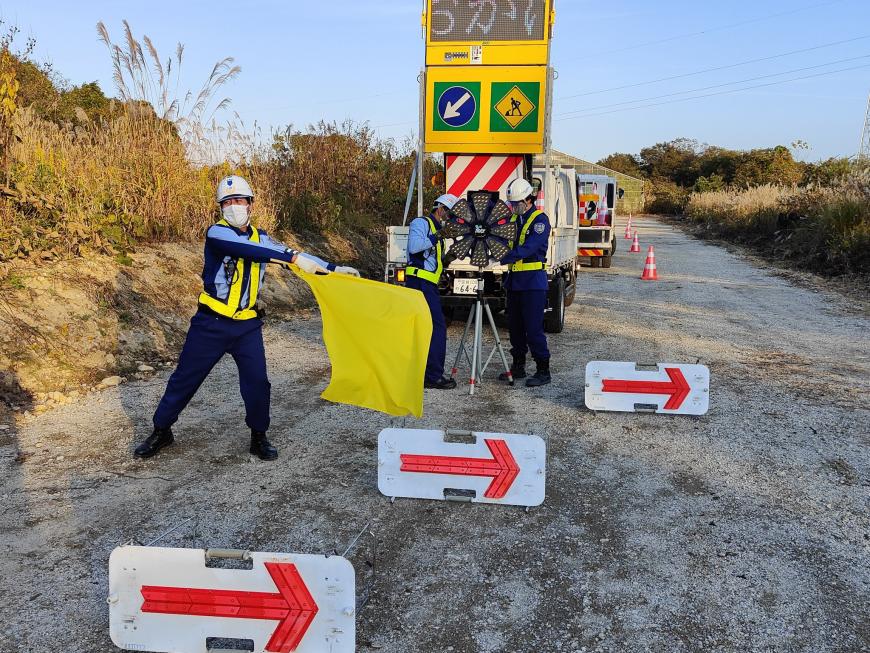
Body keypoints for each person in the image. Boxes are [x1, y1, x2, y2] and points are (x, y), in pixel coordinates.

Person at [134, 175, 360, 461]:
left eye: (239, 200)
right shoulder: (217, 233)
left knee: (257, 383)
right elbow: (254, 251)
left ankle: (259, 435)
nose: (233, 206)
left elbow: (284, 253)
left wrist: (332, 268)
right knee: (185, 379)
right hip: (211, 323)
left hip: (247, 326)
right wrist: (290, 257)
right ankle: (161, 430)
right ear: (220, 207)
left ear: (250, 204)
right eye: (227, 202)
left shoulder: (262, 237)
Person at [498, 178, 552, 387]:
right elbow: (502, 239)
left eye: (517, 203)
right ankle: (518, 366)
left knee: (533, 328)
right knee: (515, 328)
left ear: (529, 199)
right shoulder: (514, 219)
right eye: (512, 204)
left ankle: (543, 370)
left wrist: (503, 257)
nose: (514, 207)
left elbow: (528, 248)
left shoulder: (540, 221)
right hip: (514, 282)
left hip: (533, 284)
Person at [405, 194, 458, 390]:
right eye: (449, 214)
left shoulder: (437, 232)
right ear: (440, 209)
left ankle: (421, 372)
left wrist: (448, 258)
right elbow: (415, 247)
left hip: (427, 284)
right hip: (420, 283)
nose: (449, 219)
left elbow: (432, 261)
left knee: (423, 328)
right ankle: (434, 376)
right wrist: (439, 235)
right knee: (437, 328)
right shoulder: (421, 223)